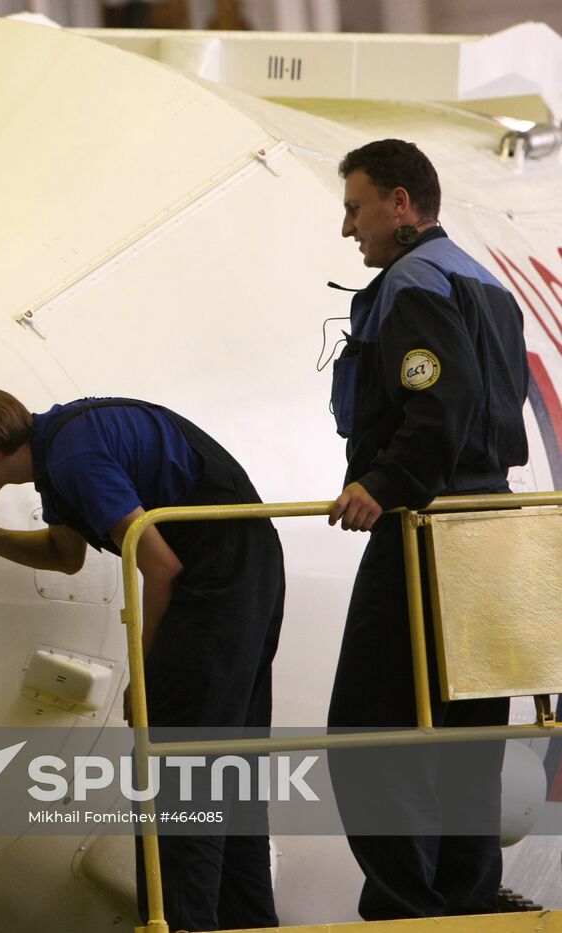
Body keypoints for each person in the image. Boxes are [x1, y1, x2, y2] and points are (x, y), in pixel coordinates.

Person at [0, 386, 284, 932]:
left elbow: (160, 567)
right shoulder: (59, 447)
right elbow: (62, 556)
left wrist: (144, 675)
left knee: (181, 786)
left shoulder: (72, 458)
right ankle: (249, 923)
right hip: (246, 564)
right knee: (230, 777)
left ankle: (186, 924)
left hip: (214, 575)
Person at [326, 138, 530, 919]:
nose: (350, 229)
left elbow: (438, 403)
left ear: (400, 203)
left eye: (355, 207)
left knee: (367, 730)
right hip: (492, 526)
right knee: (467, 735)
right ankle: (465, 897)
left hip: (429, 528)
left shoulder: (411, 282)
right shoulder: (486, 283)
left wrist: (383, 483)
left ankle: (404, 900)